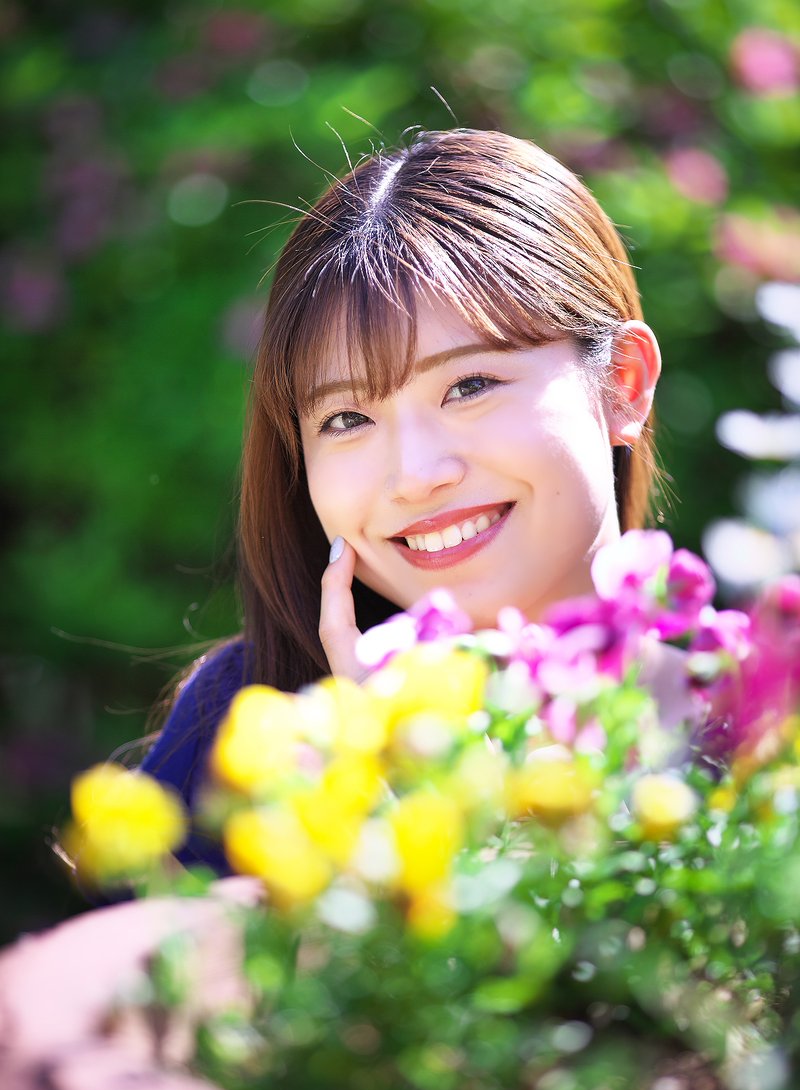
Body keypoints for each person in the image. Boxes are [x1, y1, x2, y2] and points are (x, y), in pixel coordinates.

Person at [141, 125, 684, 821]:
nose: (415, 476)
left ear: (624, 385)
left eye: (470, 386)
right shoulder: (253, 732)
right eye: (345, 420)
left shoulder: (762, 731)